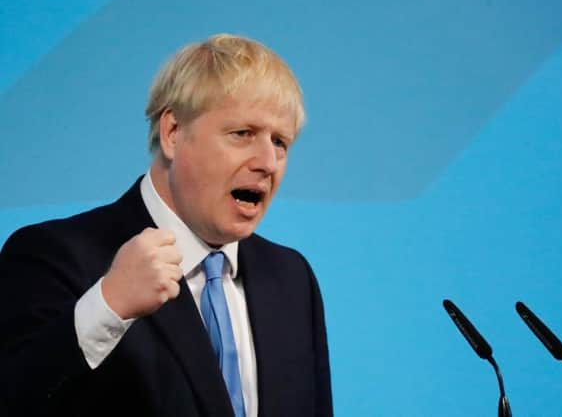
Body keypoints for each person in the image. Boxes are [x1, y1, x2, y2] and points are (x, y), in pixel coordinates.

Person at [0, 34, 333, 417]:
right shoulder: (54, 257)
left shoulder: (291, 278)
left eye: (280, 142)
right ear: (173, 132)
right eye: (243, 134)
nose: (268, 162)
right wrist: (108, 306)